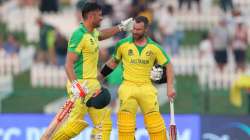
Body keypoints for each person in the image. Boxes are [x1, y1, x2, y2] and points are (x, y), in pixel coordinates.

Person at [41, 2, 134, 140]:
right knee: (75, 124)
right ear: (91, 16)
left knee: (104, 123)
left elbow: (102, 35)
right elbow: (68, 64)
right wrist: (75, 85)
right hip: (81, 85)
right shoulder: (79, 35)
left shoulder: (92, 33)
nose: (102, 18)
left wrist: (120, 27)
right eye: (100, 15)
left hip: (93, 84)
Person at [100, 16, 176, 140]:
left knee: (156, 128)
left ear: (146, 30)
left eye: (138, 30)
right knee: (125, 128)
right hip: (128, 87)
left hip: (147, 88)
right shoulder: (122, 44)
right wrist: (99, 78)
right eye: (134, 29)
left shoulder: (154, 47)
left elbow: (169, 66)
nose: (135, 32)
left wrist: (170, 88)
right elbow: (112, 63)